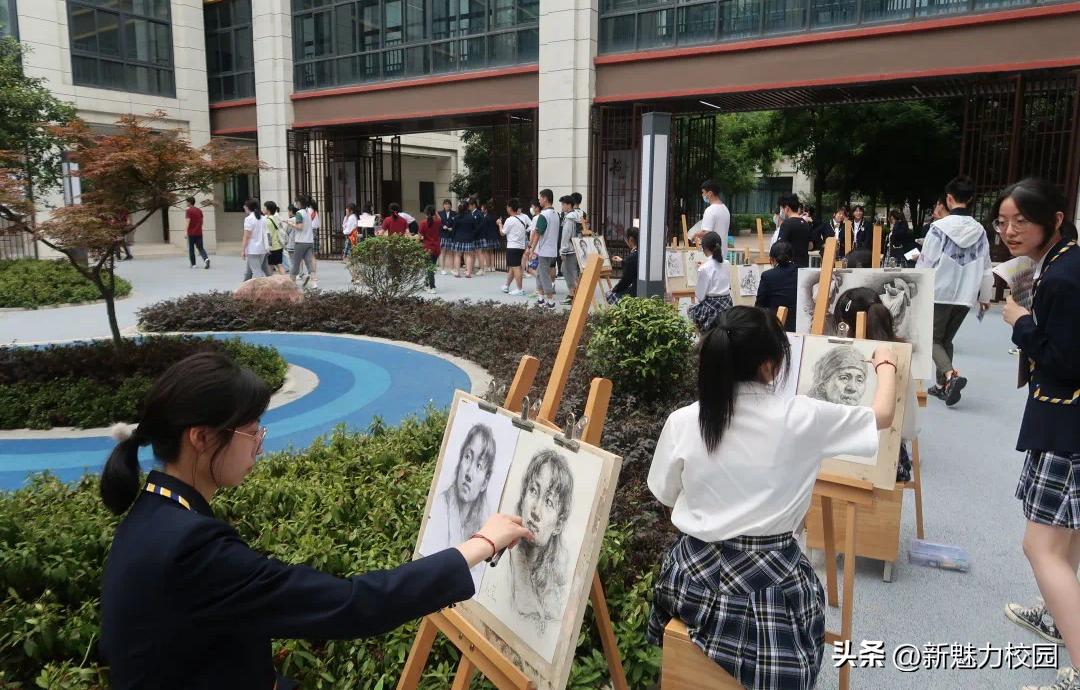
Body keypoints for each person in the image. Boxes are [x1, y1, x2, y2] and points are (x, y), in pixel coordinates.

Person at [98, 353, 533, 690]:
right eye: (253, 432)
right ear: (201, 437)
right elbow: (353, 605)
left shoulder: (155, 512)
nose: (260, 447)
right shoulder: (189, 548)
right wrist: (480, 544)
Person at [647, 306, 896, 690]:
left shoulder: (685, 420)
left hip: (690, 581)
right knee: (800, 621)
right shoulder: (803, 416)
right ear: (769, 365)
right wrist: (886, 364)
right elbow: (881, 414)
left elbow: (665, 493)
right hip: (770, 586)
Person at [992, 179, 1080, 690]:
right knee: (1068, 532)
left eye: (1021, 221)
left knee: (1040, 545)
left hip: (1066, 420)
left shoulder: (1064, 277)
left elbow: (1067, 362)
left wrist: (1021, 321)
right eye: (1003, 221)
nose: (1009, 231)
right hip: (1067, 419)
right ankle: (1054, 613)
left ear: (1056, 218)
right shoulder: (1065, 263)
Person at [915, 175, 992, 406]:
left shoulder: (938, 228)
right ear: (971, 199)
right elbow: (986, 267)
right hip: (966, 294)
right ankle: (941, 386)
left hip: (939, 290)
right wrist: (985, 296)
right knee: (946, 339)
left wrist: (916, 289)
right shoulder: (980, 230)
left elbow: (926, 262)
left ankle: (950, 375)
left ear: (949, 199)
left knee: (930, 339)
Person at [832, 286, 920, 482]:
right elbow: (911, 428)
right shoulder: (895, 357)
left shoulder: (892, 362)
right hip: (883, 460)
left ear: (844, 326)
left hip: (875, 463)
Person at [687, 231, 733, 332]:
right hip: (727, 305)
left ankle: (702, 340)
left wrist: (702, 270)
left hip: (711, 309)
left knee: (690, 309)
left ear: (704, 248)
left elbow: (700, 296)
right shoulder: (727, 263)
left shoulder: (704, 268)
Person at [528, 189, 560, 309]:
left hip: (544, 250)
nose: (539, 200)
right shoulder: (556, 214)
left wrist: (531, 249)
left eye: (540, 197)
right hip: (552, 250)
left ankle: (550, 301)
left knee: (544, 275)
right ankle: (541, 299)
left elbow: (537, 234)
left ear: (545, 198)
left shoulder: (543, 215)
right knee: (540, 274)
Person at [756, 240, 798, 331]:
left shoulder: (768, 275)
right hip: (800, 321)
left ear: (772, 258)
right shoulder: (801, 271)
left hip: (776, 323)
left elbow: (760, 304)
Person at [500, 198, 529, 296]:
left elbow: (502, 233)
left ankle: (519, 289)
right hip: (521, 246)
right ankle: (506, 285)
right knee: (513, 267)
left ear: (510, 208)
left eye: (507, 206)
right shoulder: (523, 218)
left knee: (516, 267)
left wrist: (499, 224)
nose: (507, 208)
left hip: (512, 246)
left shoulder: (509, 220)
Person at [557, 195, 583, 305]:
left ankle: (574, 295)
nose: (562, 206)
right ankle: (573, 294)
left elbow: (566, 235)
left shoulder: (569, 218)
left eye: (563, 204)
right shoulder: (578, 215)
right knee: (570, 271)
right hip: (577, 247)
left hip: (569, 250)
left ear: (568, 205)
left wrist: (563, 251)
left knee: (569, 273)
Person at [775, 193, 812, 268]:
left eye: (782, 208)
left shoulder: (786, 224)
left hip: (790, 267)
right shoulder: (805, 223)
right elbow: (810, 246)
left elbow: (780, 247)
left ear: (787, 208)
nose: (781, 211)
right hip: (804, 265)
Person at [691, 179, 731, 246]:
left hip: (711, 253)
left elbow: (707, 233)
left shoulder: (710, 210)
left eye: (703, 192)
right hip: (722, 252)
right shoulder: (725, 209)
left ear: (709, 193)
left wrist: (696, 234)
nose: (702, 195)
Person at [289, 196, 318, 289]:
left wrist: (290, 224)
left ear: (298, 203)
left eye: (296, 202)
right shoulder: (307, 212)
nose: (295, 204)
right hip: (309, 241)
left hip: (300, 241)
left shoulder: (298, 213)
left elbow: (299, 227)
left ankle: (292, 283)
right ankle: (314, 283)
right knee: (309, 262)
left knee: (296, 262)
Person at [607, 226, 639, 304]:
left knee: (609, 295)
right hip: (638, 288)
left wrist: (615, 289)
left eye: (626, 239)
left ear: (630, 239)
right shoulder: (640, 252)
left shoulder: (632, 256)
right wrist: (622, 261)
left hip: (635, 292)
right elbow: (634, 266)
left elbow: (626, 280)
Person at [241, 199, 269, 281]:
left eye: (245, 205)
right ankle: (243, 289)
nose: (244, 207)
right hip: (262, 248)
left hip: (252, 249)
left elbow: (246, 236)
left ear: (248, 207)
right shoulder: (263, 218)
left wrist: (243, 250)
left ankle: (263, 291)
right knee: (249, 272)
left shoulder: (249, 219)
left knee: (257, 273)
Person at [419, 204, 442, 294]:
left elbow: (420, 236)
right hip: (436, 247)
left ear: (425, 213)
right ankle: (426, 284)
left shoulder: (423, 223)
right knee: (431, 266)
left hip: (427, 247)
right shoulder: (438, 221)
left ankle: (432, 286)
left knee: (429, 267)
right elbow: (439, 217)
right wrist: (435, 213)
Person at [185, 196, 209, 269]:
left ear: (189, 202)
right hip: (199, 232)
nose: (186, 203)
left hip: (191, 233)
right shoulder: (199, 210)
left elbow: (187, 222)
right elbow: (201, 221)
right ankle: (206, 259)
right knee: (201, 248)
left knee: (191, 249)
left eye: (186, 202)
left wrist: (185, 232)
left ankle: (193, 264)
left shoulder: (188, 211)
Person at [263, 201, 286, 275]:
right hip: (279, 245)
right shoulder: (276, 218)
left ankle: (270, 283)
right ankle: (286, 281)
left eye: (264, 207)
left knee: (270, 267)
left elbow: (268, 235)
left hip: (272, 247)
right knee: (279, 265)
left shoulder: (267, 221)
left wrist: (268, 247)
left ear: (268, 210)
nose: (263, 209)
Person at [438, 199, 456, 275]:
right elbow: (438, 223)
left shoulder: (454, 213)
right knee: (443, 252)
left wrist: (453, 228)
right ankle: (442, 268)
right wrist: (442, 226)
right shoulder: (439, 213)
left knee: (452, 252)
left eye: (448, 204)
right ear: (443, 205)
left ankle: (452, 268)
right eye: (445, 204)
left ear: (451, 205)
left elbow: (456, 223)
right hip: (443, 235)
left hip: (451, 235)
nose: (447, 205)